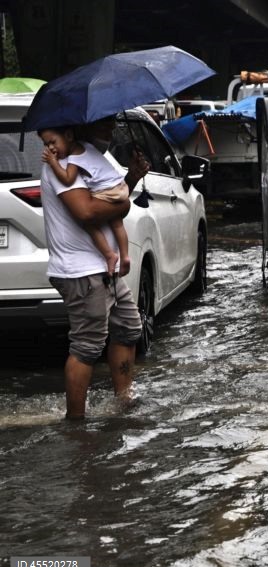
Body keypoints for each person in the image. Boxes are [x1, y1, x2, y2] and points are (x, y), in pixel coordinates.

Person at [41, 116, 150, 420]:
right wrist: (125, 202)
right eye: (104, 123)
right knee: (87, 346)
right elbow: (87, 212)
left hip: (105, 268)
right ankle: (75, 422)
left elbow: (109, 197)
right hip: (81, 272)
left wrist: (131, 178)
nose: (110, 129)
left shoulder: (92, 158)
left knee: (128, 328)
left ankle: (123, 404)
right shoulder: (64, 163)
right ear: (78, 126)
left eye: (113, 122)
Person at [39, 126, 131, 277]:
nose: (50, 149)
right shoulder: (90, 149)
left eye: (52, 142)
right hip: (119, 187)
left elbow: (68, 180)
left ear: (69, 135)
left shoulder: (71, 157)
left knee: (88, 224)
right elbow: (116, 206)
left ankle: (109, 254)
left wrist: (53, 162)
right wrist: (124, 205)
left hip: (91, 270)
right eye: (46, 145)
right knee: (117, 222)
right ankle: (125, 255)